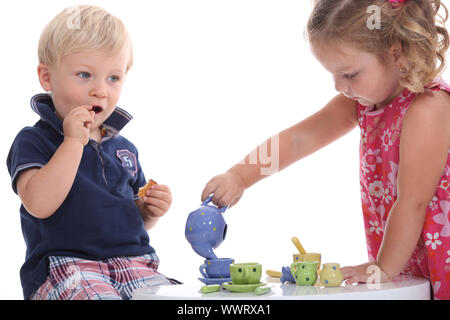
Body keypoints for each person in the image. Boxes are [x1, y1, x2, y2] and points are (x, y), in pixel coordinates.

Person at [201, 0, 449, 299]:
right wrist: (240, 176)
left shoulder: (428, 109)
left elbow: (413, 202)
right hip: (405, 258)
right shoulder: (365, 103)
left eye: (350, 74)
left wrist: (383, 267)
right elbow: (298, 139)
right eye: (333, 75)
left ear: (397, 53)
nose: (338, 86)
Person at [6, 5, 179, 300]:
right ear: (47, 78)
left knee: (179, 299)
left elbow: (126, 216)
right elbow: (38, 204)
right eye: (84, 74)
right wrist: (73, 142)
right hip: (67, 267)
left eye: (113, 78)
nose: (100, 90)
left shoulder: (124, 148)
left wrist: (147, 212)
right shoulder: (34, 140)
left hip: (135, 263)